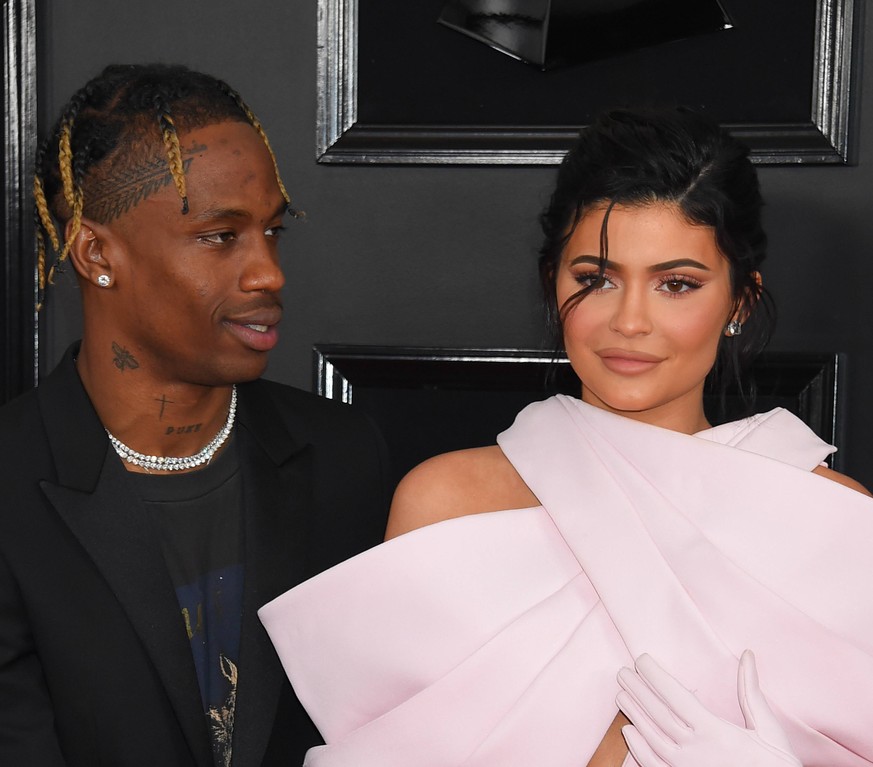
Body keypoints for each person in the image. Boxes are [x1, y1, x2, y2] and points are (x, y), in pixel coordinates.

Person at [258, 108, 873, 767]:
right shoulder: (444, 501)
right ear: (552, 286)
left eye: (675, 284)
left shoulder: (833, 522)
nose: (629, 320)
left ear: (739, 304)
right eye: (595, 279)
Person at [0, 64, 390, 767]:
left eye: (271, 231)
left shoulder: (340, 456)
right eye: (220, 235)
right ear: (96, 253)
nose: (268, 272)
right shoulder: (10, 483)